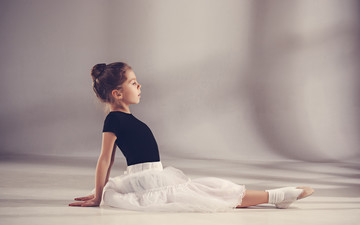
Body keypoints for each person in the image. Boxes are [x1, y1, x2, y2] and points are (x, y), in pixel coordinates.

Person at [68, 62, 314, 212]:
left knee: (211, 189)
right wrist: (99, 196)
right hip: (148, 182)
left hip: (155, 177)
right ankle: (277, 196)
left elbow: (111, 160)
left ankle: (276, 196)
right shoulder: (113, 120)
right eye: (133, 83)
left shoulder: (129, 119)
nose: (140, 86)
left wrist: (101, 193)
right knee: (212, 193)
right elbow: (105, 160)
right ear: (117, 93)